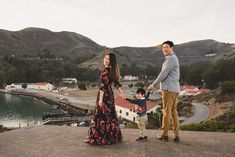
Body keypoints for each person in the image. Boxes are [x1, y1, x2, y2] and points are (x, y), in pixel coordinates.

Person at [85, 50, 124, 145]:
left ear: (111, 62)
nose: (106, 60)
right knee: (110, 116)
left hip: (104, 95)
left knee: (100, 115)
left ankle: (97, 138)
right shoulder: (112, 71)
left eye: (108, 59)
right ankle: (111, 137)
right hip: (110, 96)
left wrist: (100, 99)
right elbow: (117, 83)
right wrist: (121, 93)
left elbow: (102, 86)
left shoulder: (105, 72)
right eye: (105, 58)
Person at [148, 40, 180, 143]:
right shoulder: (173, 58)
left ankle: (164, 134)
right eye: (163, 48)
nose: (164, 49)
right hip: (174, 89)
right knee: (174, 112)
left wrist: (154, 85)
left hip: (168, 90)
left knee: (166, 112)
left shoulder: (171, 59)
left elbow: (163, 74)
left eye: (166, 47)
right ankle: (176, 135)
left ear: (172, 48)